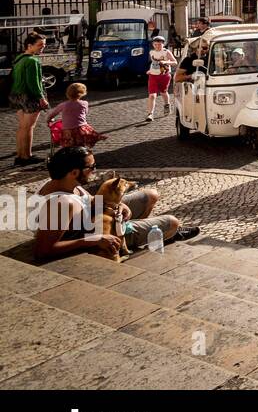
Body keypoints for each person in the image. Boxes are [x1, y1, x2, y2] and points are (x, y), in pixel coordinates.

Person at [33, 146, 198, 262]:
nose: (95, 171)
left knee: (150, 195)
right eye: (91, 167)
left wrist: (118, 206)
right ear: (75, 172)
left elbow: (91, 201)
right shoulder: (60, 205)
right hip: (100, 233)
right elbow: (44, 250)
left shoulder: (66, 182)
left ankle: (134, 228)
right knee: (173, 223)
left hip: (98, 217)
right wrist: (92, 240)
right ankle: (137, 236)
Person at [10, 31, 48, 166]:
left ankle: (20, 155)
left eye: (43, 45)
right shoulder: (33, 61)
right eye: (40, 45)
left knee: (22, 127)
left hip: (16, 95)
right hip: (29, 97)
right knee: (29, 127)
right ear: (29, 45)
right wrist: (41, 98)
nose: (42, 47)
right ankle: (27, 156)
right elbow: (34, 83)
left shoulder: (19, 58)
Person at [50, 83, 105, 149]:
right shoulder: (84, 103)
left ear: (68, 93)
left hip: (68, 130)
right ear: (82, 93)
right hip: (81, 128)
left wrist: (49, 119)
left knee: (68, 145)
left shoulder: (63, 105)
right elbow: (85, 113)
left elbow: (53, 113)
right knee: (81, 143)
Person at [145, 36, 176, 122]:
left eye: (160, 44)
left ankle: (167, 104)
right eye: (156, 44)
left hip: (164, 76)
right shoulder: (151, 52)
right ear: (153, 44)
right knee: (152, 95)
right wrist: (150, 70)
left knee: (163, 92)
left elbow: (175, 62)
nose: (158, 46)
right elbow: (153, 63)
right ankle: (150, 114)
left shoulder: (166, 52)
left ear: (163, 44)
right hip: (153, 76)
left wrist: (166, 62)